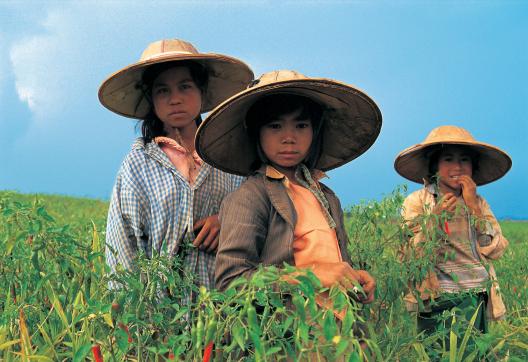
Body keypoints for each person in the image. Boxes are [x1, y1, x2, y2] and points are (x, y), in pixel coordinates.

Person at [196, 69, 382, 310]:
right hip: (287, 337)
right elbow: (232, 283)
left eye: (301, 125)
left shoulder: (326, 197)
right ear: (257, 133)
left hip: (336, 336)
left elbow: (331, 264)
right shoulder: (249, 198)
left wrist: (354, 278)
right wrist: (309, 277)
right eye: (275, 126)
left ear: (315, 131)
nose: (289, 138)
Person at [99, 39, 253, 296]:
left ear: (201, 91)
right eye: (163, 91)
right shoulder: (138, 164)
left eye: (185, 87)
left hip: (224, 306)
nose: (175, 99)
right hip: (159, 309)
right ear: (152, 99)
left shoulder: (229, 158)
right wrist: (127, 315)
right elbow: (121, 244)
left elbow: (256, 213)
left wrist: (226, 220)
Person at [394, 125, 511, 336]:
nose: (457, 166)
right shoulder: (417, 202)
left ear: (473, 166)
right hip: (434, 296)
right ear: (434, 166)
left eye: (464, 159)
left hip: (475, 293)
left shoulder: (479, 203)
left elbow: (496, 249)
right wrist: (434, 220)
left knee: (473, 351)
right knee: (436, 351)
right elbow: (408, 255)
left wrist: (474, 209)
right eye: (448, 159)